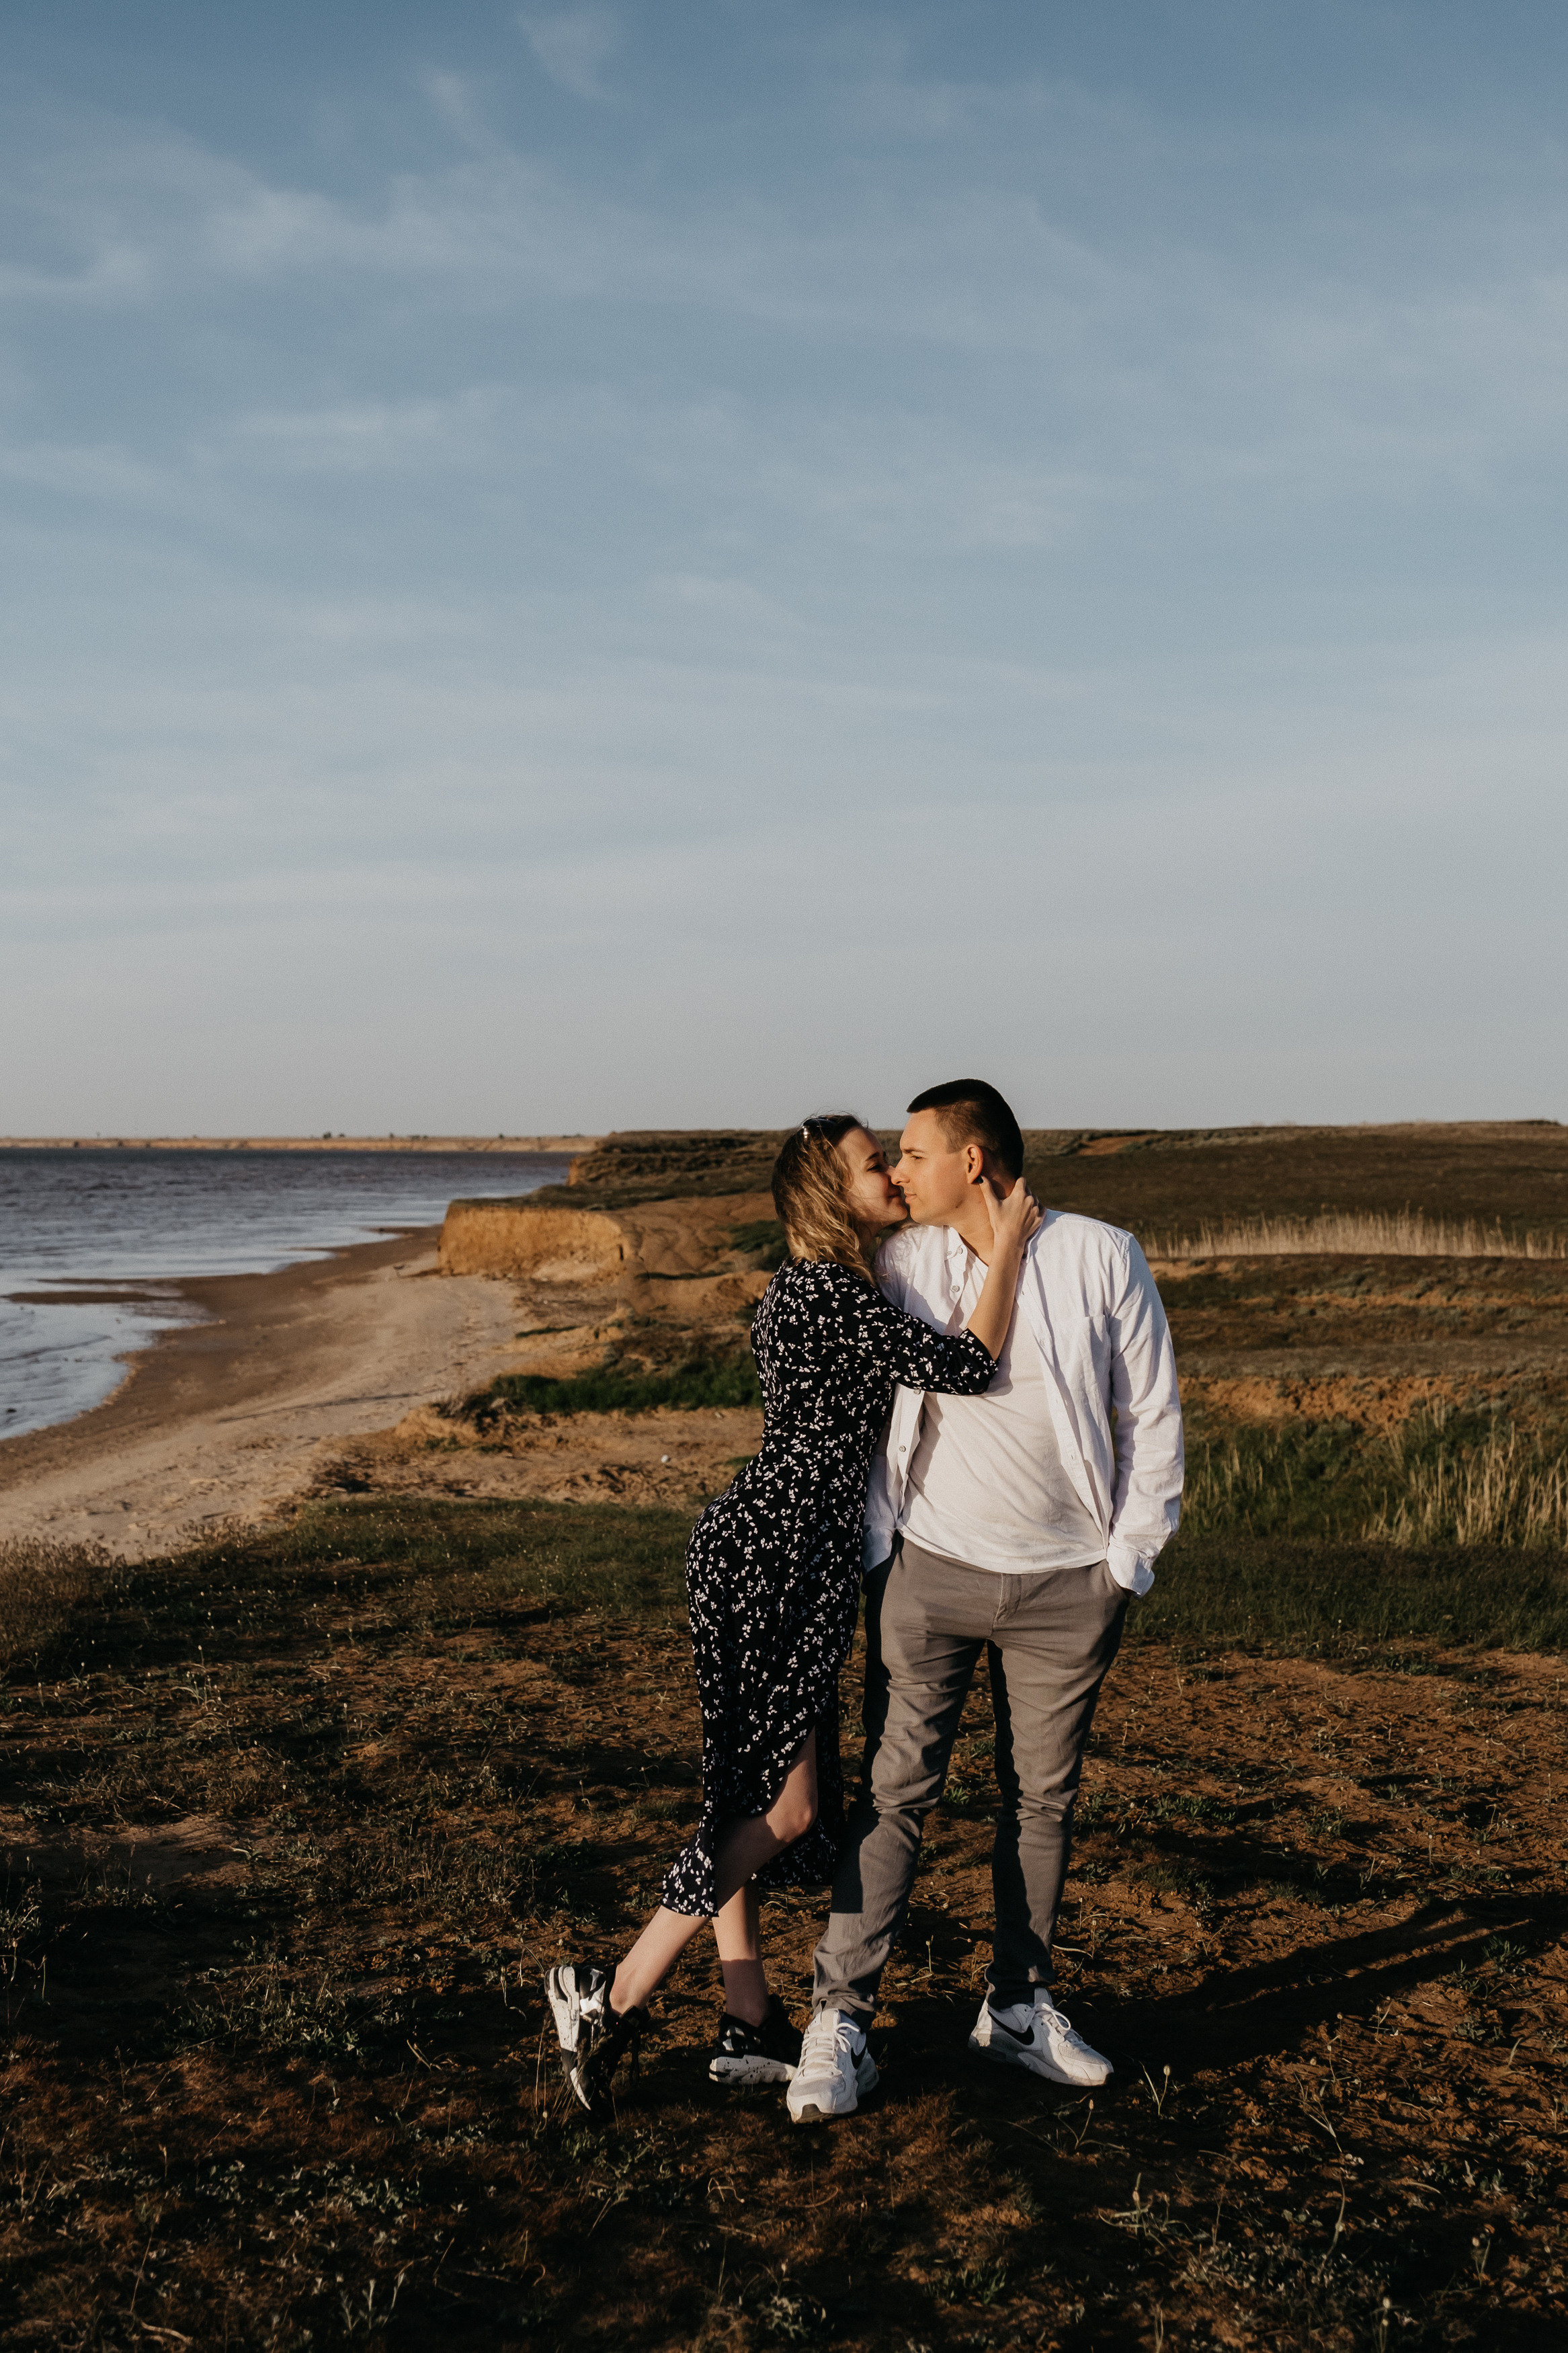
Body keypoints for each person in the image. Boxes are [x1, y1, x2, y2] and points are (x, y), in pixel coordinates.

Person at [545, 1112, 1042, 2116]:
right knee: (788, 1811)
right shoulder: (822, 1293)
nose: (893, 1180)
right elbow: (965, 1365)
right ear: (825, 1189)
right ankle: (610, 1994)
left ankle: (749, 2021)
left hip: (769, 1554)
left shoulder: (819, 1288)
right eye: (873, 1167)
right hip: (775, 1561)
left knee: (744, 1798)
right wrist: (1013, 1248)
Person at [786, 1079, 1183, 2126]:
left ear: (972, 1160)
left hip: (1068, 1585)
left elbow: (1150, 1411)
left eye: (911, 1154)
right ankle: (840, 2022)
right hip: (930, 1571)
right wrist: (882, 1557)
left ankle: (1017, 2004)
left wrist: (1125, 1563)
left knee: (1040, 1802)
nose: (898, 1173)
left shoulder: (1101, 1253)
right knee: (891, 1796)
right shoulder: (902, 1264)